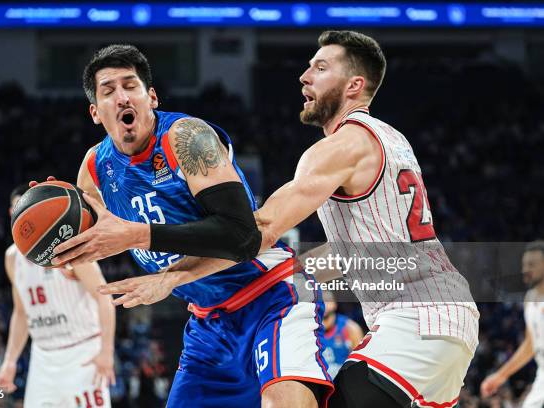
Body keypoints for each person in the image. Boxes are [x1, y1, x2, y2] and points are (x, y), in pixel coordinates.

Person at [95, 31, 480, 408]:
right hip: (446, 317)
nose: (304, 76)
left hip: (414, 320)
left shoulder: (337, 147)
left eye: (320, 68)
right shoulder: (392, 137)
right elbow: (365, 247)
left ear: (353, 85)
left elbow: (255, 232)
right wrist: (302, 267)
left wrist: (169, 276)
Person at [48, 44, 334, 407]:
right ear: (95, 112)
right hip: (208, 321)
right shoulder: (93, 171)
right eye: (108, 91)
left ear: (151, 97)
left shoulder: (186, 138)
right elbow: (83, 246)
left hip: (270, 294)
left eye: (130, 86)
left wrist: (152, 257)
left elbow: (243, 236)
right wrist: (49, 234)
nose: (121, 97)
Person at [0, 184, 116, 407]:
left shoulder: (70, 246)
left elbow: (104, 297)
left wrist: (106, 351)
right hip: (43, 356)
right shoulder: (11, 258)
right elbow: (21, 313)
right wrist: (10, 360)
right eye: (18, 209)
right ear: (12, 215)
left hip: (82, 351)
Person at [481, 241, 544, 408]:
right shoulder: (530, 299)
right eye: (524, 264)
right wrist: (500, 376)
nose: (525, 270)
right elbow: (531, 345)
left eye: (531, 264)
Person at [320, 294, 363, 379]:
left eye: (326, 299)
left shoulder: (350, 328)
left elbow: (361, 366)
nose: (323, 303)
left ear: (334, 303)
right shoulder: (308, 330)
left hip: (343, 385)